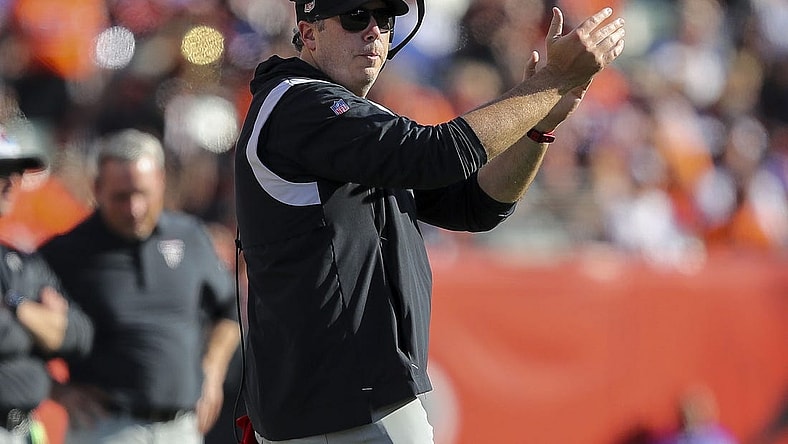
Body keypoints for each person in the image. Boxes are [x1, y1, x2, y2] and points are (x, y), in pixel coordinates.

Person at [233, 0, 625, 441]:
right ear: (308, 33)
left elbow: (476, 205)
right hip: (343, 407)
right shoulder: (298, 103)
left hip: (335, 403)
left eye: (384, 20)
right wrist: (551, 83)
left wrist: (539, 127)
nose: (374, 32)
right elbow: (439, 154)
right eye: (355, 17)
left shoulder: (327, 114)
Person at [39, 128, 240, 443]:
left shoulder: (190, 236)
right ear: (97, 188)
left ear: (160, 182)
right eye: (121, 196)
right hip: (105, 427)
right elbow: (16, 332)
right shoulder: (66, 252)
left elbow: (230, 310)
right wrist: (57, 391)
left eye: (142, 193)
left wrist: (213, 370)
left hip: (182, 427)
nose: (133, 208)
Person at [0, 124, 94, 444]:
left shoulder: (19, 261)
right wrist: (37, 321)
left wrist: (14, 307)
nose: (12, 185)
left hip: (23, 428)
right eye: (2, 173)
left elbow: (78, 334)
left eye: (16, 174)